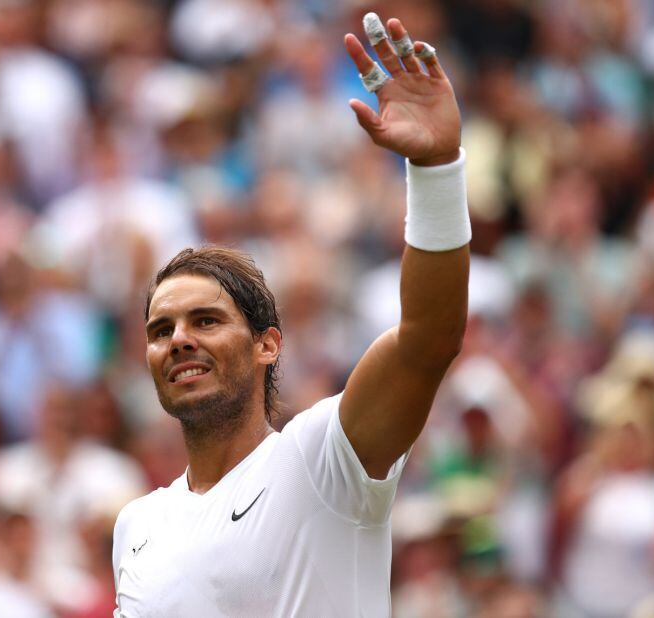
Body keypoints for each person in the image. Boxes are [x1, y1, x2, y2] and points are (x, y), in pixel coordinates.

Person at [112, 12, 470, 616]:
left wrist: (436, 170)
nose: (178, 340)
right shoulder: (136, 525)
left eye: (206, 320)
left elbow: (427, 339)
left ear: (267, 345)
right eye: (160, 329)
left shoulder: (323, 459)